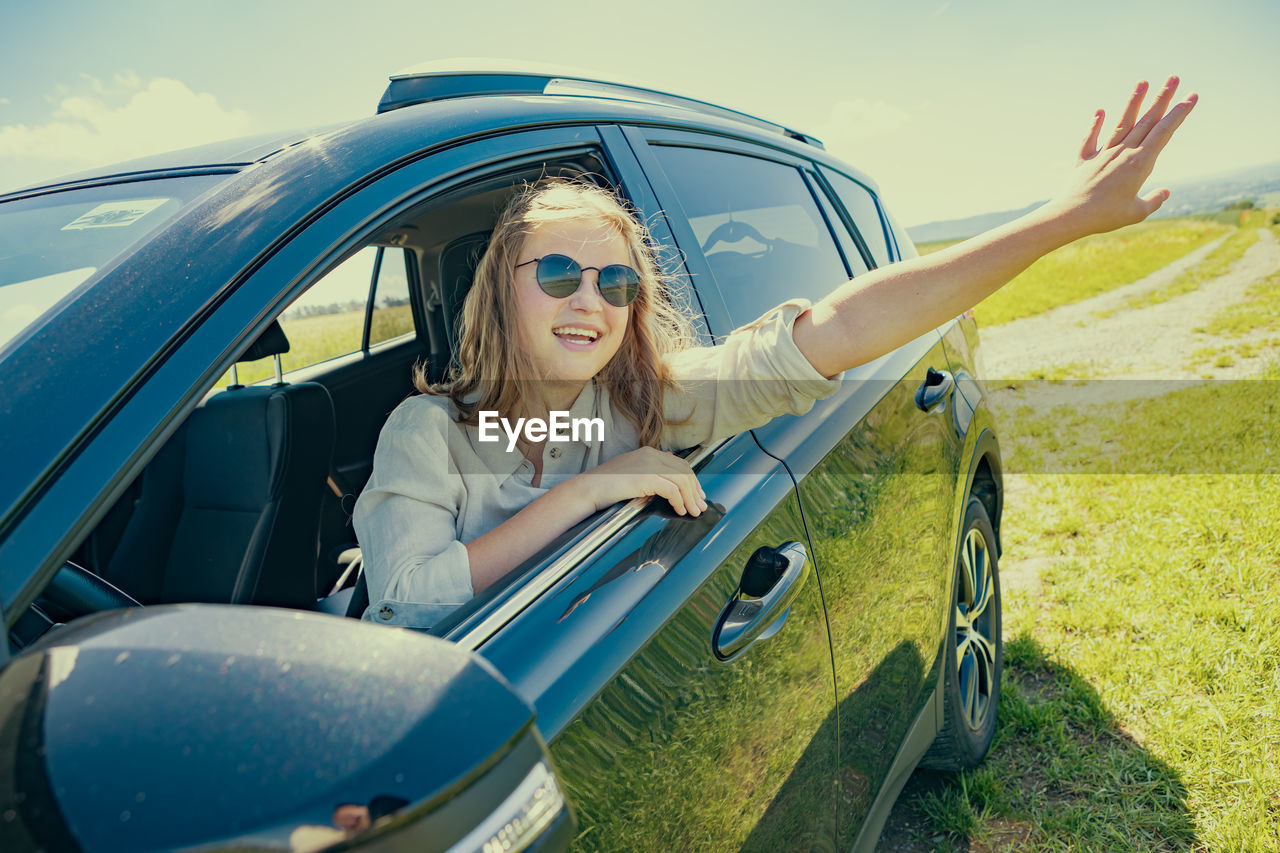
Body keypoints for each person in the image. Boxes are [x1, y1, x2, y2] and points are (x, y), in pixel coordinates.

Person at [353, 77, 1197, 628]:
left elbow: (828, 334)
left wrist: (1061, 220)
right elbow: (407, 594)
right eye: (561, 272)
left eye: (616, 284)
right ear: (502, 284)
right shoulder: (431, 431)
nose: (590, 301)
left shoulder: (645, 400)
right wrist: (594, 488)